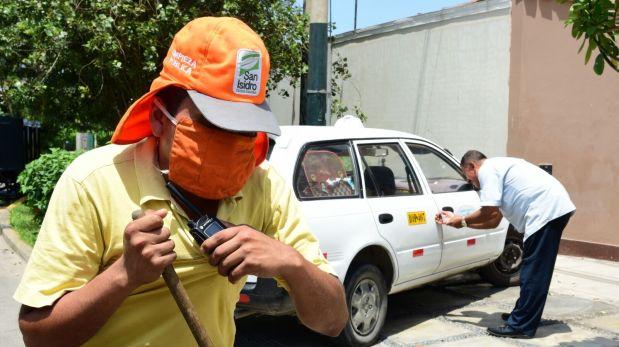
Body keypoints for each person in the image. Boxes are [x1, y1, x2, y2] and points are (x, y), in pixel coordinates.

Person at [14, 17, 348, 346]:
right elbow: (38, 335)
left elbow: (332, 321)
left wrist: (290, 262)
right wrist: (124, 275)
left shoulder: (264, 186)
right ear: (160, 119)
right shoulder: (93, 183)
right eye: (216, 126)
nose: (233, 144)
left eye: (246, 130)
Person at [436, 150, 575, 339]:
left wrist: (460, 221)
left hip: (546, 212)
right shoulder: (498, 169)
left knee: (534, 272)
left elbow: (488, 214)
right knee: (533, 270)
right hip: (551, 209)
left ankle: (522, 325)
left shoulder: (487, 171)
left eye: (467, 175)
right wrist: (460, 221)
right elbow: (493, 220)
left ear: (472, 166)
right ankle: (523, 316)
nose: (470, 182)